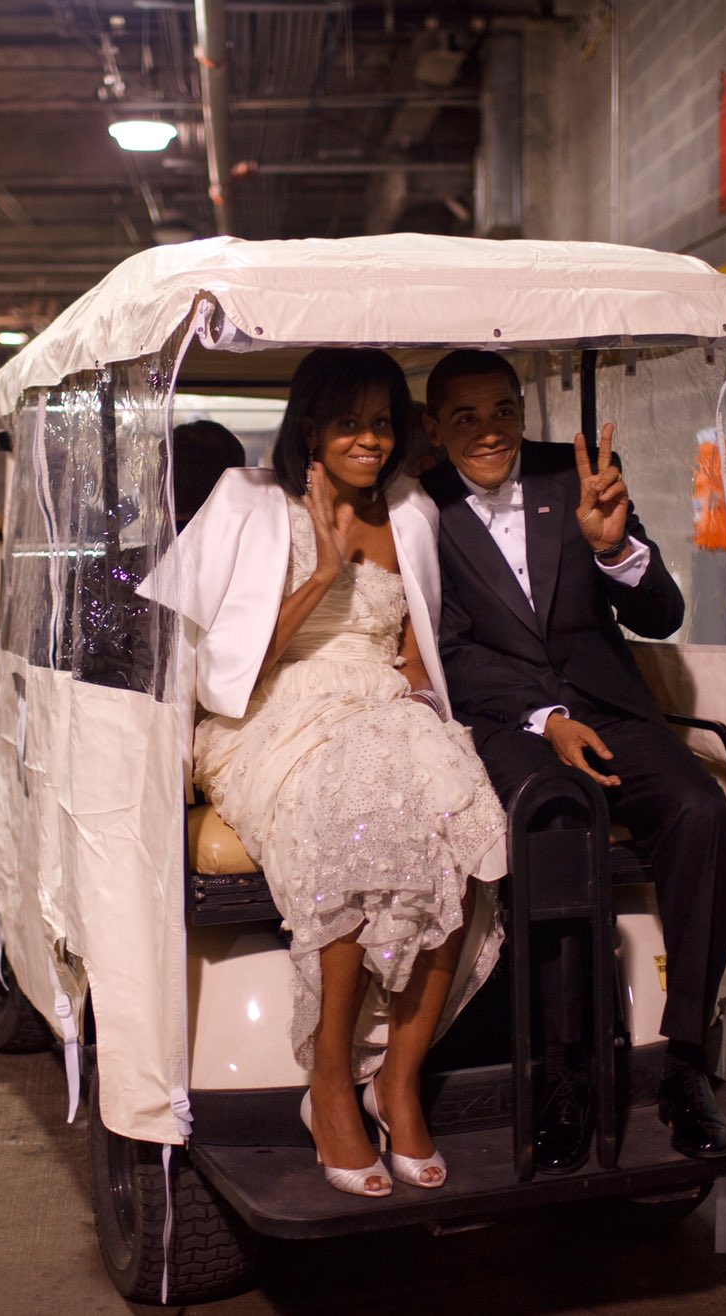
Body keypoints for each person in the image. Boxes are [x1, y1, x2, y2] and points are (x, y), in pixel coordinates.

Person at [143, 348, 506, 1198]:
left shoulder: (411, 508)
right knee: (353, 822)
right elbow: (221, 676)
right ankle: (331, 1084)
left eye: (382, 423)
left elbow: (414, 651)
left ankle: (399, 1080)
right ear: (310, 428)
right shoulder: (247, 498)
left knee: (469, 824)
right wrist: (323, 577)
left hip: (382, 702)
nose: (370, 440)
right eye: (349, 423)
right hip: (269, 714)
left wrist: (423, 721)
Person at [418, 348, 726, 1168]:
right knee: (557, 823)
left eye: (502, 410)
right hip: (509, 722)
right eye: (465, 417)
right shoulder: (419, 506)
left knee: (704, 812)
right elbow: (448, 651)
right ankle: (567, 1072)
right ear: (435, 427)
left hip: (611, 707)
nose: (489, 431)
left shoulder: (576, 476)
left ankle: (687, 1060)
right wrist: (547, 718)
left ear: (522, 408)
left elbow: (662, 615)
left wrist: (613, 548)